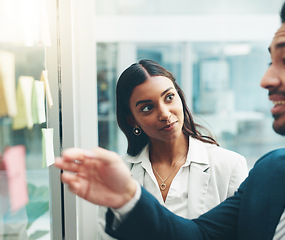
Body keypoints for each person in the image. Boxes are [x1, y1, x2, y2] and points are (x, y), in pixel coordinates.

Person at [55, 0, 285, 239]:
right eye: (271, 61)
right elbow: (199, 235)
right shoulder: (272, 171)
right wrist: (128, 197)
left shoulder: (233, 164)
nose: (266, 79)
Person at [96, 60, 248, 239]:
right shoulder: (119, 175)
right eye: (147, 108)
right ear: (132, 120)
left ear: (180, 97)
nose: (165, 114)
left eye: (169, 97)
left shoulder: (229, 166)